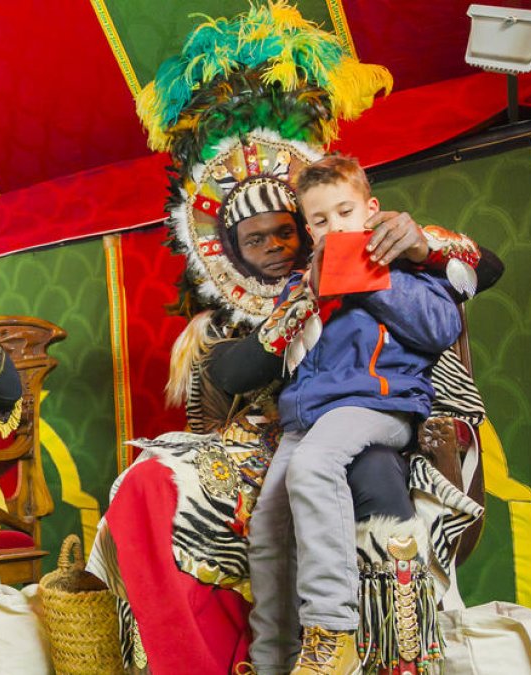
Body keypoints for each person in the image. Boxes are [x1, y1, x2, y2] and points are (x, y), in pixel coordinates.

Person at [86, 5, 493, 675]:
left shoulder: (386, 256)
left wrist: (398, 258)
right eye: (259, 238)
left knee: (356, 475)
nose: (277, 244)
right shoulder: (257, 301)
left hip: (369, 416)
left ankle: (378, 648)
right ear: (232, 247)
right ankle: (271, 657)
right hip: (286, 427)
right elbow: (228, 377)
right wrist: (285, 321)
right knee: (215, 501)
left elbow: (459, 292)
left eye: (287, 232)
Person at [245, 154, 462, 675]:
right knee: (268, 523)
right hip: (313, 416)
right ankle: (275, 659)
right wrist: (317, 293)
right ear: (308, 228)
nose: (335, 227)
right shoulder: (306, 287)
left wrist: (375, 277)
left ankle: (332, 632)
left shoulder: (408, 268)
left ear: (371, 211)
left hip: (378, 405)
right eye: (320, 221)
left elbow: (442, 325)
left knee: (312, 466)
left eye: (345, 213)